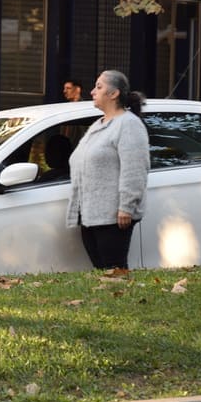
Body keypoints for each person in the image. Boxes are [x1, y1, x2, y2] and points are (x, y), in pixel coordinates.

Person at [66, 70, 150, 270]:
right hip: (90, 214)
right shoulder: (98, 125)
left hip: (113, 216)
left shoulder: (129, 124)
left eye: (99, 87)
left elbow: (135, 169)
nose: (93, 92)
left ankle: (122, 301)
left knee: (114, 270)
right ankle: (105, 302)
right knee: (101, 272)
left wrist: (126, 207)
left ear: (114, 94)